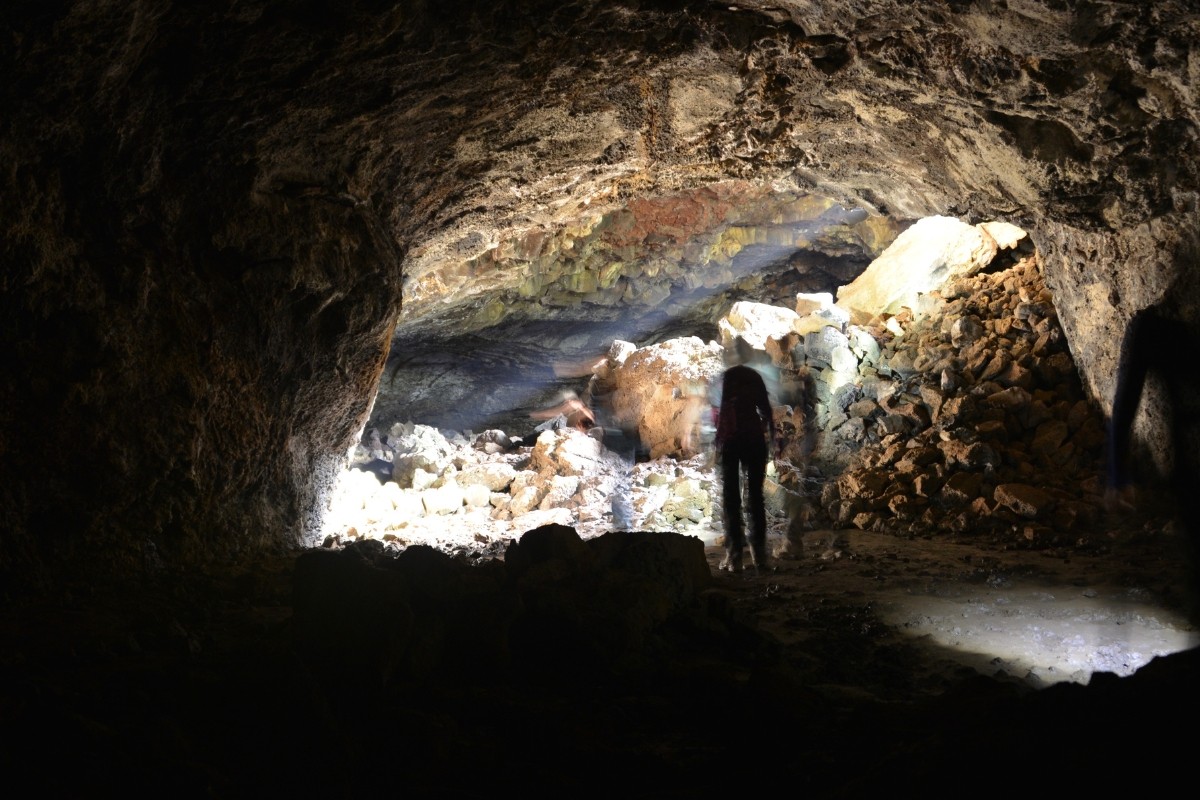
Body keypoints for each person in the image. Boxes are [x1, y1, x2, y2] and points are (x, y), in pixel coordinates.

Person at [1106, 298, 1200, 620]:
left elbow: (1124, 404)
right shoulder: (1152, 328)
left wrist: (1117, 477)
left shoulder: (1149, 328)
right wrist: (1117, 475)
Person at [715, 337, 778, 573]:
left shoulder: (724, 379)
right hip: (754, 441)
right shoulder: (754, 377)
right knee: (755, 497)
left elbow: (718, 413)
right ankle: (760, 557)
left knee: (731, 498)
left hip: (731, 442)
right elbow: (767, 412)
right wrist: (773, 440)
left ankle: (735, 558)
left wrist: (716, 444)